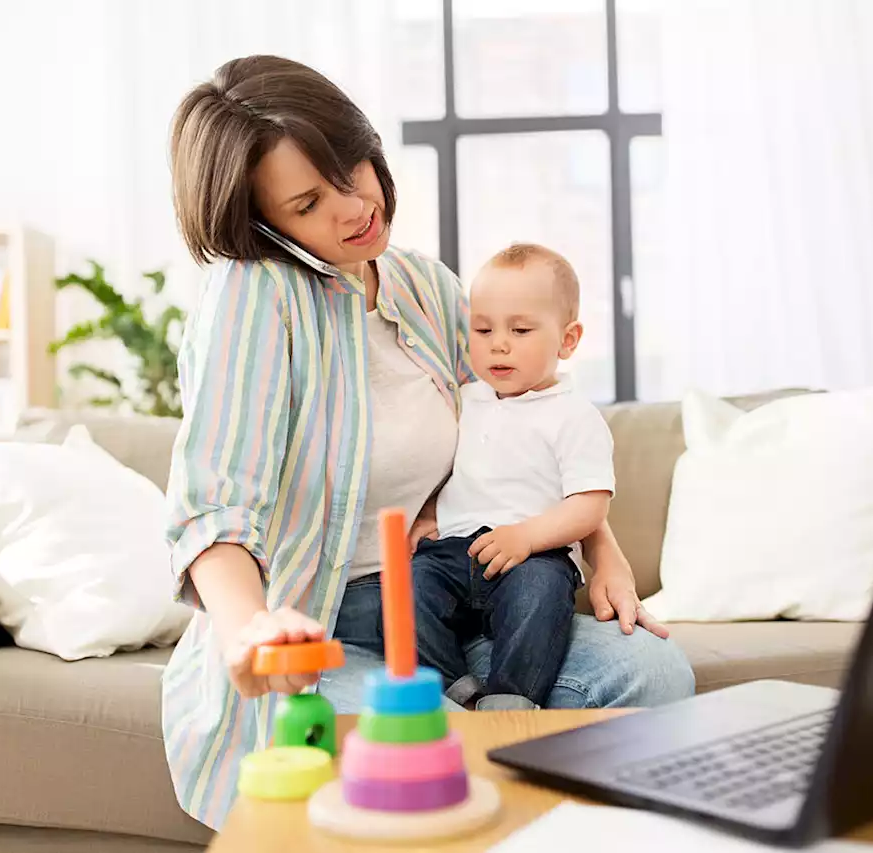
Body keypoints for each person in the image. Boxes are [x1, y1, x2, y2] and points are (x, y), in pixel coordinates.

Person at [161, 53, 695, 831]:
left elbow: (515, 423)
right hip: (326, 632)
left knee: (651, 673)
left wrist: (602, 546)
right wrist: (254, 628)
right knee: (428, 752)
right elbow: (211, 505)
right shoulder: (253, 295)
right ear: (263, 223)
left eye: (352, 167)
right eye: (310, 202)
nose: (354, 208)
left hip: (449, 600)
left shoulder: (424, 284)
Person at [413, 243, 614, 711]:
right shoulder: (465, 400)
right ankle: (459, 692)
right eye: (482, 329)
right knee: (405, 591)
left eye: (520, 330)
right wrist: (427, 514)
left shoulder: (574, 415)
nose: (498, 343)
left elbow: (589, 505)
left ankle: (510, 700)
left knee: (540, 597)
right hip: (454, 549)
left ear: (568, 340)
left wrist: (525, 537)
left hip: (533, 555)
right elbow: (439, 466)